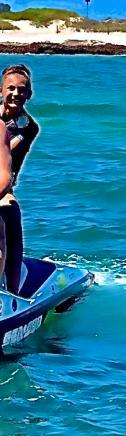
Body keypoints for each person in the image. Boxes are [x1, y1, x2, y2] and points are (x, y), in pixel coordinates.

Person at [0, 64, 39, 294]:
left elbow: (6, 150)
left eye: (22, 90)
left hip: (4, 184)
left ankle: (13, 292)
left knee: (11, 214)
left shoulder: (28, 127)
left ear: (29, 95)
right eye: (11, 88)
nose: (16, 93)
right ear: (1, 90)